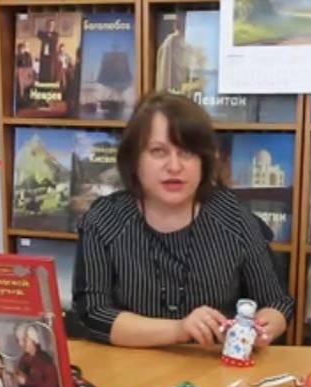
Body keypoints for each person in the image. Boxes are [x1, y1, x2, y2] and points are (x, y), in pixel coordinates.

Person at [73, 92, 293, 347]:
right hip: (127, 366)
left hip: (211, 366)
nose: (174, 166)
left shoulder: (232, 215)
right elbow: (93, 313)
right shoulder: (105, 219)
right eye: (158, 151)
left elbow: (277, 303)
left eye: (187, 152)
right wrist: (179, 329)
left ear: (204, 161)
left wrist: (260, 328)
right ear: (134, 159)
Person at [14, 323, 59, 387]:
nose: (20, 343)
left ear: (34, 339)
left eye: (24, 339)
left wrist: (26, 382)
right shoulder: (23, 359)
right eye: (18, 340)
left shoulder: (45, 360)